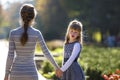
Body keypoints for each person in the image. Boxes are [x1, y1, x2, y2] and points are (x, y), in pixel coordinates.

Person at [4, 4, 59, 80]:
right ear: (33, 17)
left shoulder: (13, 33)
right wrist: (57, 67)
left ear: (21, 16)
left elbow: (10, 55)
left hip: (16, 73)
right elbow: (46, 52)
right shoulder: (36, 33)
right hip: (31, 73)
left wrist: (6, 74)